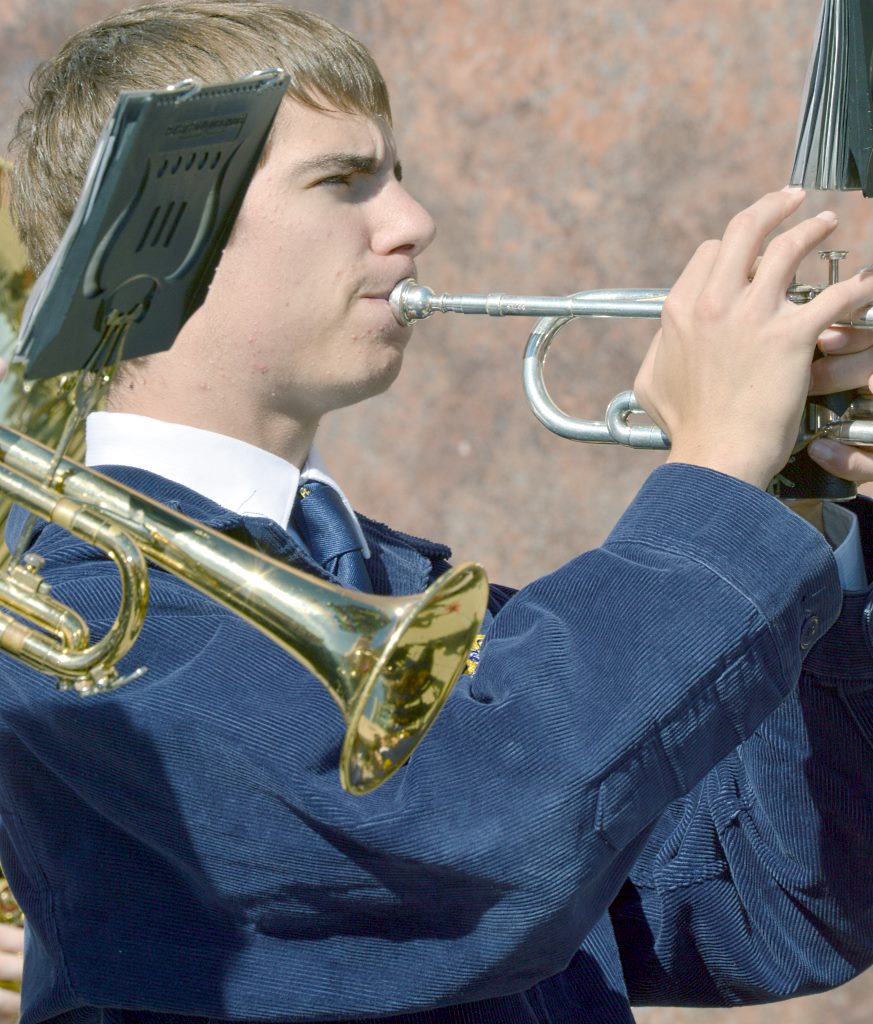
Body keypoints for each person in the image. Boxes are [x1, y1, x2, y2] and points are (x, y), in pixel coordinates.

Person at [3, 2, 873, 1022]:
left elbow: (763, 905)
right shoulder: (92, 626)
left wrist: (806, 506)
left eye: (399, 172)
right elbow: (486, 833)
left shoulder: (387, 593)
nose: (412, 221)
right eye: (342, 180)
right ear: (158, 232)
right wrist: (717, 470)